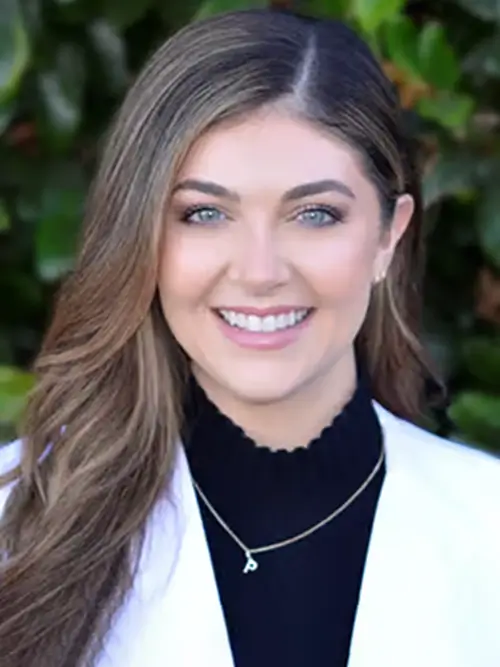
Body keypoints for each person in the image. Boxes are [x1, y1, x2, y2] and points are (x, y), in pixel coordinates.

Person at [0, 8, 499, 667]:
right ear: (142, 234)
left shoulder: (487, 525)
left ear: (388, 235)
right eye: (204, 213)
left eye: (315, 214)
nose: (260, 271)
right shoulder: (14, 525)